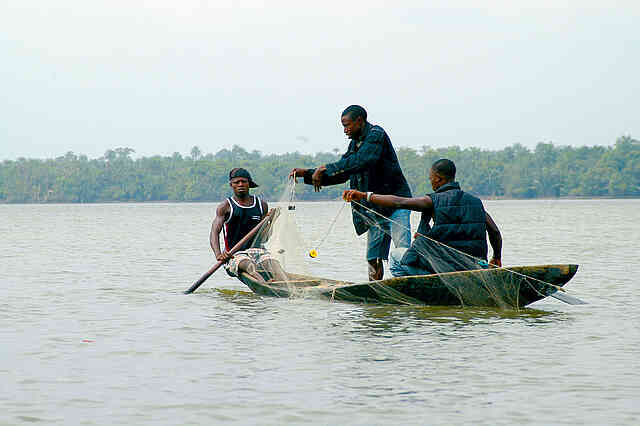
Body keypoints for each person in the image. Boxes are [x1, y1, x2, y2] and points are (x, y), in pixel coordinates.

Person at [289, 105, 412, 281]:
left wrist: (325, 167)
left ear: (359, 121)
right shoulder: (355, 144)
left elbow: (364, 160)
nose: (345, 130)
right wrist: (307, 173)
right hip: (374, 208)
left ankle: (409, 284)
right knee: (373, 256)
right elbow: (344, 171)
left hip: (395, 203)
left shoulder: (376, 135)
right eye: (343, 126)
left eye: (347, 125)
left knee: (403, 251)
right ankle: (376, 288)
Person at [343, 158, 502, 277]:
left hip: (444, 267)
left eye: (431, 178)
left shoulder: (432, 200)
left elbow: (400, 202)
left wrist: (365, 195)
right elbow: (494, 231)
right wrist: (496, 257)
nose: (431, 181)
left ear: (439, 179)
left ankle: (414, 291)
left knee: (394, 256)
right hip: (472, 266)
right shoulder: (475, 202)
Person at [210, 168, 287, 283]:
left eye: (243, 181)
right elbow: (214, 233)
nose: (240, 184)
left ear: (249, 184)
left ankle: (282, 283)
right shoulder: (225, 206)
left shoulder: (261, 205)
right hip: (235, 254)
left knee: (275, 265)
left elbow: (264, 237)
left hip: (258, 251)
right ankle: (263, 283)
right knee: (249, 266)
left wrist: (271, 221)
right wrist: (219, 254)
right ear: (231, 185)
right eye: (237, 182)